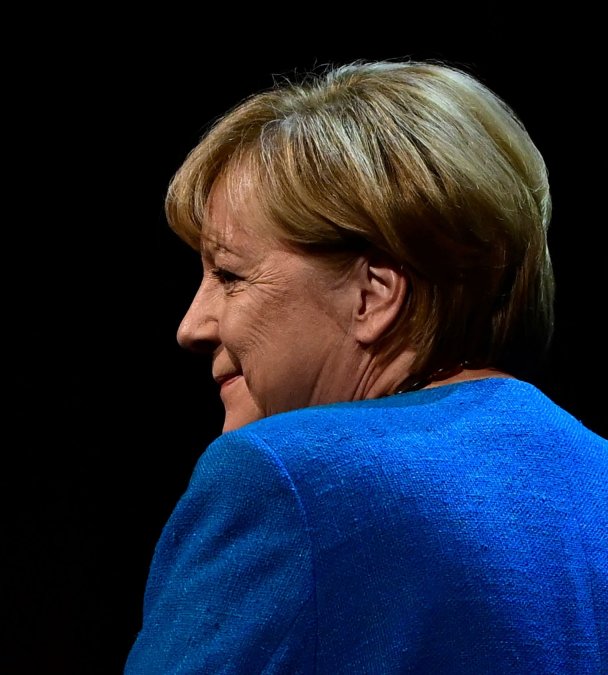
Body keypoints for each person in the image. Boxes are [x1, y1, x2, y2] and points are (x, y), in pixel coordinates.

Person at [124, 59, 608, 674]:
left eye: (230, 274)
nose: (191, 326)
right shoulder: (597, 479)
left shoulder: (284, 483)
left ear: (373, 294)